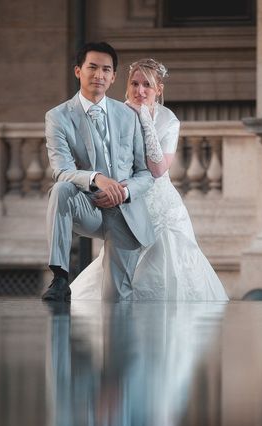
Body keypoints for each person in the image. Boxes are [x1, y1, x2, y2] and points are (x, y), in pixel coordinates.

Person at [70, 58, 228, 301]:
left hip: (161, 201)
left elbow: (158, 169)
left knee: (171, 260)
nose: (140, 90)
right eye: (134, 83)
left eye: (147, 85)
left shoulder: (168, 120)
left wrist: (145, 121)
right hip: (127, 198)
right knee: (119, 265)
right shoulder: (112, 112)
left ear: (159, 89)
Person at [41, 42, 155, 302]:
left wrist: (124, 192)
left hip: (123, 211)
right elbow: (61, 171)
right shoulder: (58, 117)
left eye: (106, 70)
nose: (99, 75)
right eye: (92, 67)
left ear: (114, 77)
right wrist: (96, 179)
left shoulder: (128, 116)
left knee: (117, 297)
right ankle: (59, 276)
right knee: (60, 189)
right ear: (78, 71)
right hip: (87, 206)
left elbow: (145, 174)